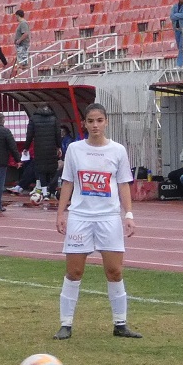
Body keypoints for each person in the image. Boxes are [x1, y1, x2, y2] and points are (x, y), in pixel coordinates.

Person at [53, 103, 142, 340]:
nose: (95, 125)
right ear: (84, 123)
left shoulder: (117, 150)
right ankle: (66, 324)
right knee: (74, 271)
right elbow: (68, 182)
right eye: (91, 121)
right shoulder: (75, 149)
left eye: (99, 121)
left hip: (108, 217)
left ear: (106, 122)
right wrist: (61, 213)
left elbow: (123, 184)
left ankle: (120, 324)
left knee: (114, 271)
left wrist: (129, 215)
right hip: (80, 217)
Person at [23, 104, 61, 198]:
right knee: (52, 170)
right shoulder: (54, 119)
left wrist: (26, 147)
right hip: (51, 148)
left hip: (39, 148)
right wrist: (59, 147)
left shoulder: (33, 119)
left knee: (41, 170)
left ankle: (44, 193)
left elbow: (29, 135)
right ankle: (52, 191)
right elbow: (58, 134)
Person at [11, 10, 30, 77]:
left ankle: (23, 76)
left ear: (18, 15)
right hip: (21, 45)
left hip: (22, 45)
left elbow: (25, 34)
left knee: (23, 63)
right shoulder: (22, 23)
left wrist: (19, 40)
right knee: (21, 63)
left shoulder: (23, 23)